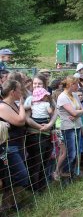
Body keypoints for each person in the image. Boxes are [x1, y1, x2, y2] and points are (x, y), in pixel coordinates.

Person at [0, 80, 29, 210]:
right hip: (8, 147)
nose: (21, 92)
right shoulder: (3, 106)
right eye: (19, 90)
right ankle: (7, 205)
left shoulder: (12, 105)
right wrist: (22, 104)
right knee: (21, 175)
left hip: (18, 145)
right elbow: (20, 120)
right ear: (13, 92)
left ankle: (10, 204)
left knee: (14, 178)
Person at [57, 76, 83, 178]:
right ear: (70, 84)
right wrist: (79, 112)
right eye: (76, 84)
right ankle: (65, 174)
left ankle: (71, 173)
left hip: (77, 126)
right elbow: (74, 112)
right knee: (71, 153)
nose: (78, 86)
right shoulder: (62, 97)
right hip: (68, 128)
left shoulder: (74, 95)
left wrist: (78, 113)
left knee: (76, 151)